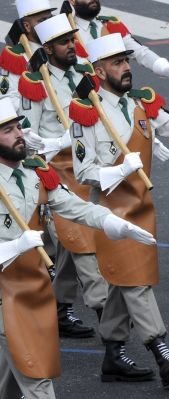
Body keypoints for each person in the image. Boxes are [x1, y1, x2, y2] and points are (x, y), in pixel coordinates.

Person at [0, 97, 155, 399]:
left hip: (31, 288)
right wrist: (14, 246)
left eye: (19, 127)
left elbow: (75, 207)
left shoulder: (35, 173)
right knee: (36, 377)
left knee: (11, 375)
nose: (19, 134)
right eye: (7, 130)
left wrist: (114, 223)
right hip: (4, 296)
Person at [69, 33, 169, 386]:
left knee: (123, 282)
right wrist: (118, 169)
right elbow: (83, 171)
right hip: (110, 211)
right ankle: (160, 348)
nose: (125, 68)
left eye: (126, 61)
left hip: (143, 207)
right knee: (136, 281)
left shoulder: (141, 104)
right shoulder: (87, 114)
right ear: (98, 70)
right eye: (117, 63)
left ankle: (113, 352)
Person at [18, 13, 107, 338]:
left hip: (86, 169)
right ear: (48, 46)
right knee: (82, 244)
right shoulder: (34, 82)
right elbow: (26, 135)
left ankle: (58, 306)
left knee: (74, 243)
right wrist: (56, 142)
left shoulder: (83, 73)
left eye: (73, 40)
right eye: (64, 42)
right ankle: (113, 334)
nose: (72, 46)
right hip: (55, 174)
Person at [68, 0, 169, 85]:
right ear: (72, 1)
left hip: (117, 89)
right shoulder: (67, 33)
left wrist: (163, 67)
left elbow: (139, 52)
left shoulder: (110, 25)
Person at [0, 0, 56, 109]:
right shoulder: (15, 58)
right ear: (27, 26)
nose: (49, 24)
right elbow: (9, 99)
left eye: (50, 18)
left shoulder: (60, 48)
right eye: (43, 20)